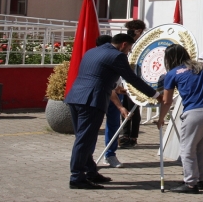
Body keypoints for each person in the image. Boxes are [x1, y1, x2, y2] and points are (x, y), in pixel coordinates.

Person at [65, 33, 160, 189]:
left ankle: (90, 172)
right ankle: (76, 178)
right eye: (129, 49)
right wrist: (155, 94)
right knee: (84, 140)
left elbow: (96, 75)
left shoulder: (92, 51)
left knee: (84, 138)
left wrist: (114, 87)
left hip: (75, 97)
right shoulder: (117, 56)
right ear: (123, 44)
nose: (128, 52)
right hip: (92, 100)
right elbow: (132, 78)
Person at [157, 44, 203, 194]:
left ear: (169, 58)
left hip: (196, 112)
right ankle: (199, 179)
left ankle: (190, 183)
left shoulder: (173, 73)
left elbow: (167, 101)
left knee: (188, 148)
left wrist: (161, 118)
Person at [94, 35, 127, 168]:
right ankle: (86, 159)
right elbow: (107, 86)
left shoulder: (115, 57)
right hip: (99, 95)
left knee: (114, 125)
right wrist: (120, 107)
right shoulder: (98, 60)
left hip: (116, 93)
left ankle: (110, 155)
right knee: (92, 127)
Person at [119, 19, 146, 149]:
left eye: (132, 30)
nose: (130, 33)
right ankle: (125, 134)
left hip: (136, 79)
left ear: (139, 31)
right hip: (124, 80)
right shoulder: (127, 41)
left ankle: (133, 136)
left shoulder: (143, 43)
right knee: (124, 106)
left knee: (134, 108)